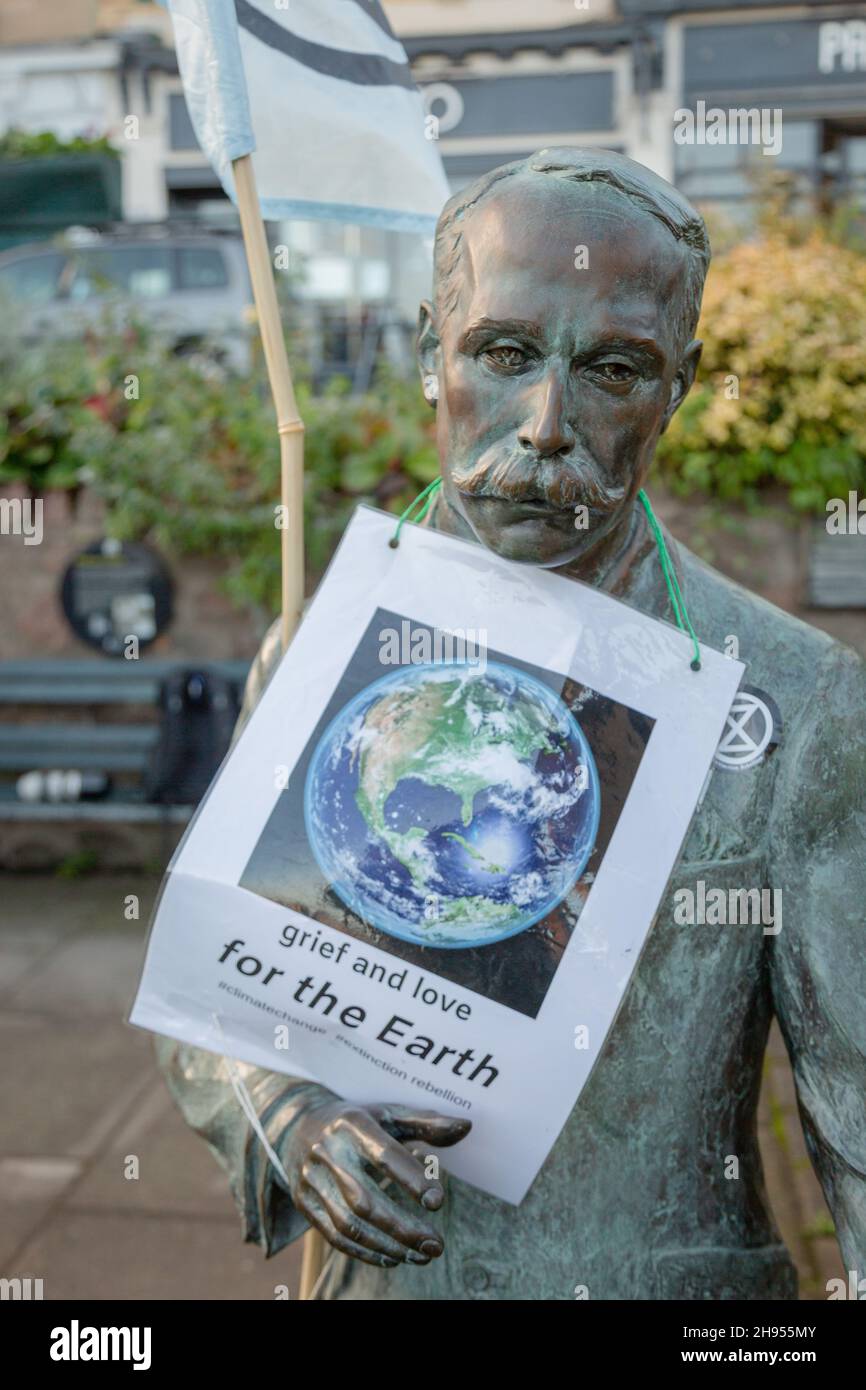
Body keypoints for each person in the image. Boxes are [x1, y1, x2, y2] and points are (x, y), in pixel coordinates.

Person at [156, 148, 866, 1300]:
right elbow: (214, 981)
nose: (544, 423)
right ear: (426, 350)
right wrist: (289, 1116)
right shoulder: (320, 646)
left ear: (679, 383)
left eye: (612, 369)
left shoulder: (793, 702)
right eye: (501, 352)